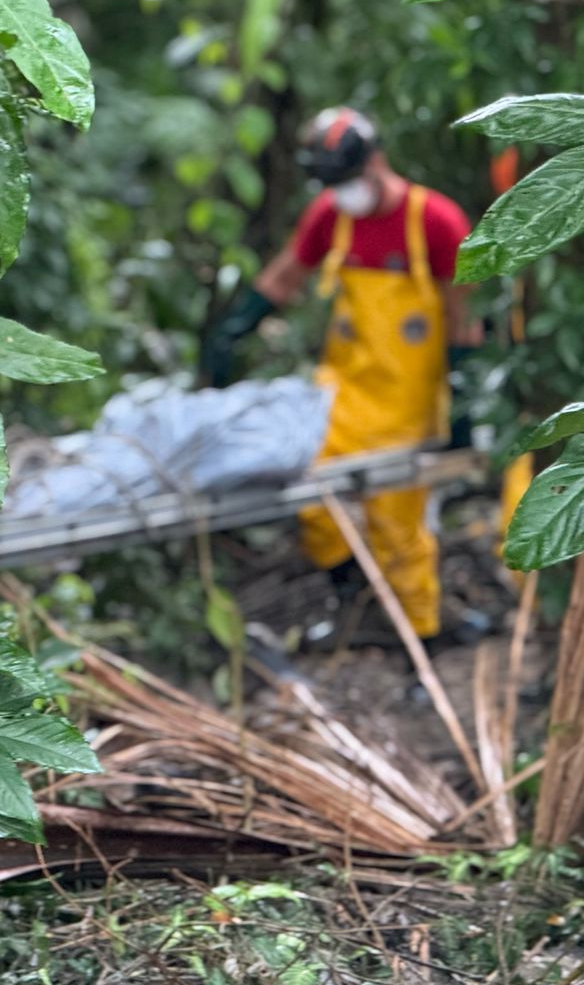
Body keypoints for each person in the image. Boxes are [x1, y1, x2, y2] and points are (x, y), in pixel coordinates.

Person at [203, 106, 476, 643]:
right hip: (345, 391)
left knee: (398, 527)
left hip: (407, 406)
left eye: (350, 180)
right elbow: (285, 275)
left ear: (376, 162)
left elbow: (462, 321)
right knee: (308, 495)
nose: (344, 192)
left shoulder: (436, 223)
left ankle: (421, 631)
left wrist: (463, 403)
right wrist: (235, 328)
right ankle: (354, 591)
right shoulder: (333, 216)